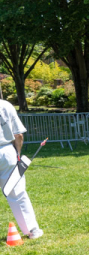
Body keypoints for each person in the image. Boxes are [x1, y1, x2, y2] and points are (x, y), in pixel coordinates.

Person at [0, 99, 42, 239]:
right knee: (17, 192)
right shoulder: (5, 105)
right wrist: (17, 154)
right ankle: (32, 230)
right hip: (6, 152)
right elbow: (18, 134)